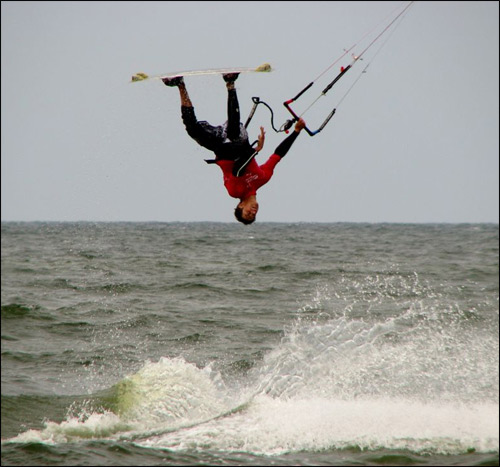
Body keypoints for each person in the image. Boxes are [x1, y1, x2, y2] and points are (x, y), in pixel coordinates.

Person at [162, 73, 306, 224]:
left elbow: (238, 168)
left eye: (247, 214)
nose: (252, 212)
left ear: (241, 205)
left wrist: (256, 151)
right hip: (238, 141)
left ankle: (180, 85)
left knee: (192, 129)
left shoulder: (235, 191)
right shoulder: (263, 178)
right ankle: (230, 82)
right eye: (253, 215)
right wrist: (296, 131)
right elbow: (278, 154)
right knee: (234, 135)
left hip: (220, 148)